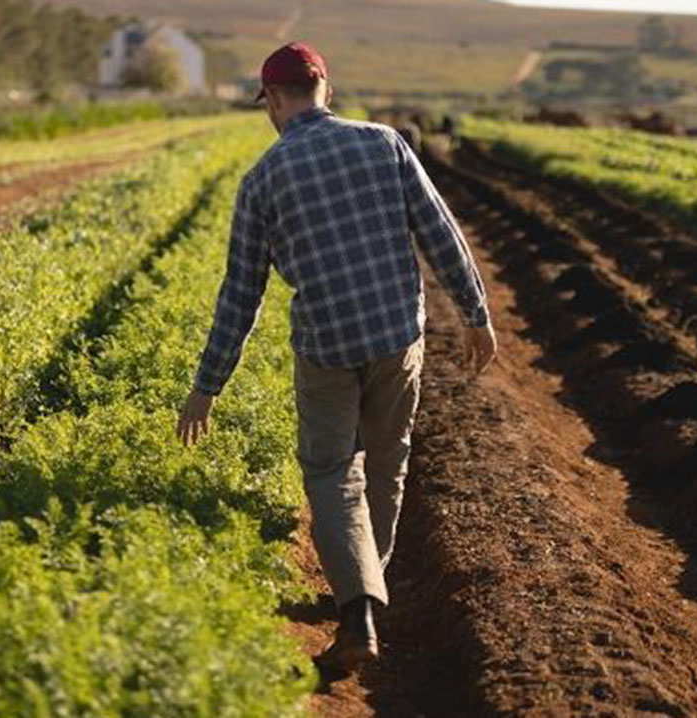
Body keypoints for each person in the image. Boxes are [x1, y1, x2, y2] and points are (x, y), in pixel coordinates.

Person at [175, 42, 497, 673]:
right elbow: (439, 230)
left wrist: (206, 387)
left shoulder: (261, 180)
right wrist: (475, 312)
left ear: (272, 99)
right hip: (396, 335)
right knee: (387, 462)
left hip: (325, 345)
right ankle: (367, 591)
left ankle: (357, 611)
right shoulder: (384, 143)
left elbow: (240, 296)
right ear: (325, 85)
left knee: (330, 473)